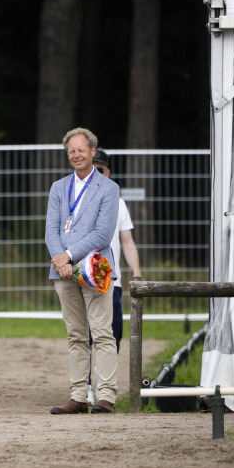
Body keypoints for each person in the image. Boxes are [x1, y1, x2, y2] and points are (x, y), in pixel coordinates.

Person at [44, 128, 119, 414]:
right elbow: (51, 229)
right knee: (75, 335)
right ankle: (78, 395)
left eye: (80, 149)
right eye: (71, 151)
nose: (76, 155)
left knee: (101, 333)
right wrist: (59, 261)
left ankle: (106, 396)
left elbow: (102, 233)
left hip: (95, 268)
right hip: (62, 272)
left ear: (92, 151)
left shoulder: (108, 189)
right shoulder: (58, 188)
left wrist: (69, 255)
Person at [92, 148, 142, 350]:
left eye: (100, 170)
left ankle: (103, 376)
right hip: (83, 275)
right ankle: (84, 381)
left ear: (108, 173)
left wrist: (136, 270)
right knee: (84, 334)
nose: (95, 174)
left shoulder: (118, 203)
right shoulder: (74, 201)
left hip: (111, 276)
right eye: (90, 169)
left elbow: (127, 240)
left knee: (114, 332)